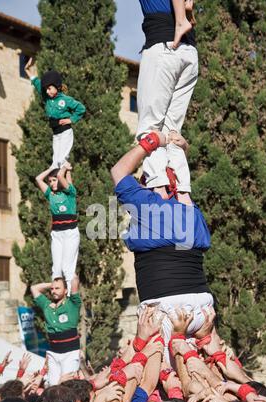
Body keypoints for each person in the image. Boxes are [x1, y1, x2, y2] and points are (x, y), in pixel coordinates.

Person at [111, 131, 213, 355]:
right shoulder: (193, 214)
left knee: (164, 376)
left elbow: (118, 171)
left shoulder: (148, 206)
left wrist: (151, 142)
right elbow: (182, 189)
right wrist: (181, 148)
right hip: (202, 305)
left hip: (165, 306)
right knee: (202, 372)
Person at [137, 0, 198, 203]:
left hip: (165, 46)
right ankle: (183, 196)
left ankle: (159, 192)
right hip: (188, 51)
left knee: (150, 129)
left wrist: (181, 20)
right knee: (172, 133)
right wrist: (185, 16)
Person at [24, 58, 86, 169]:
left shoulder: (65, 99)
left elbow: (81, 108)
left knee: (62, 160)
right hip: (56, 134)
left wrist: (71, 119)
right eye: (46, 89)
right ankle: (57, 184)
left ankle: (68, 180)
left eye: (49, 88)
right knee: (55, 163)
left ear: (57, 86)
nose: (47, 91)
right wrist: (27, 69)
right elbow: (35, 81)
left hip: (66, 133)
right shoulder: (46, 96)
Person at [36, 162, 80, 294]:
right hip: (57, 234)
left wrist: (66, 167)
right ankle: (56, 293)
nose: (51, 183)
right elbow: (38, 179)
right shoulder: (50, 194)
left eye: (54, 180)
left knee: (68, 268)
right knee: (56, 268)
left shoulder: (70, 193)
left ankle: (70, 295)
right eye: (49, 181)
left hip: (70, 233)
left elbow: (62, 176)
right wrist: (50, 168)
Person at [31, 275, 81, 385]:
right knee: (53, 386)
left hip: (70, 353)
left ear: (66, 290)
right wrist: (52, 284)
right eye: (52, 289)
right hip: (53, 353)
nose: (53, 291)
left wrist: (69, 273)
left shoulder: (72, 303)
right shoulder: (46, 305)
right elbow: (34, 288)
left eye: (57, 288)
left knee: (67, 386)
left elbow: (74, 281)